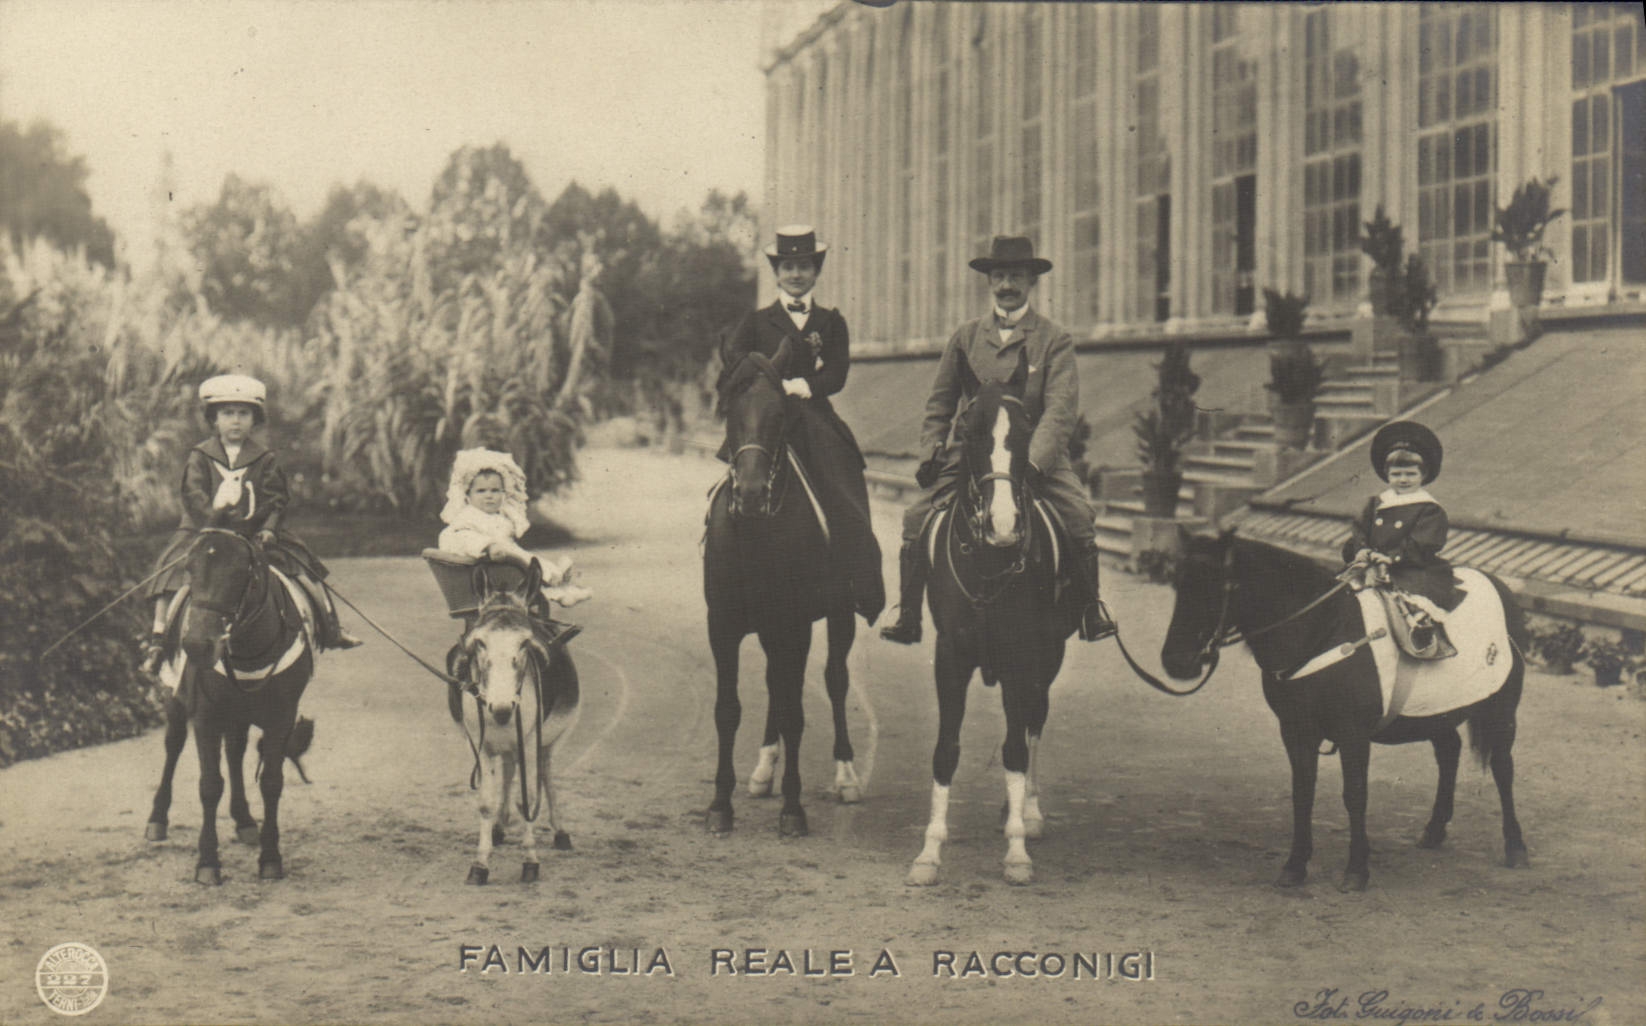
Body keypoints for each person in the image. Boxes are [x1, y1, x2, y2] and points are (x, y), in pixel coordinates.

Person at [880, 235, 1116, 645]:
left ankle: (1090, 610)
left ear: (1032, 282)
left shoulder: (1053, 338)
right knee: (917, 517)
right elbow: (940, 402)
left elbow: (1060, 411)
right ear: (989, 281)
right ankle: (909, 614)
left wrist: (1033, 464)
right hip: (973, 457)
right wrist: (931, 450)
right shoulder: (967, 337)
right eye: (1000, 276)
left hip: (1031, 455)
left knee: (1079, 515)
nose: (1008, 285)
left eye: (1017, 277)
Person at [715, 225, 885, 625]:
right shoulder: (756, 321)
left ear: (815, 271)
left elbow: (839, 372)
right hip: (764, 418)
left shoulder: (830, 322)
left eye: (804, 267)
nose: (795, 275)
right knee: (734, 480)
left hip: (811, 418)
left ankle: (858, 582)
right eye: (788, 267)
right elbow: (735, 367)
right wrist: (761, 384)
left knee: (842, 486)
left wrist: (806, 385)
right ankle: (722, 566)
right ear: (776, 272)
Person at [140, 374, 360, 672]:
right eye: (227, 413)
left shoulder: (263, 458)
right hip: (204, 531)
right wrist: (212, 523)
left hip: (254, 533)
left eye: (243, 414)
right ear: (214, 420)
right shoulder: (201, 456)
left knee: (303, 568)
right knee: (172, 574)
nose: (235, 421)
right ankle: (158, 639)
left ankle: (330, 626)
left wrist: (269, 527)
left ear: (254, 420)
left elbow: (277, 498)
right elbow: (193, 494)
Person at [1341, 420, 1460, 655]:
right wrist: (1361, 549)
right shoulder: (1377, 502)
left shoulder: (1427, 508)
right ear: (1387, 475)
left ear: (1422, 475)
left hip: (1410, 566)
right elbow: (1360, 528)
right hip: (1371, 564)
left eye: (1410, 474)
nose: (1403, 479)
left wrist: (1391, 558)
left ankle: (1419, 629)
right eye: (1396, 474)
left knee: (1412, 600)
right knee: (1343, 591)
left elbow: (1423, 544)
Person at [437, 448, 591, 613]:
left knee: (532, 564)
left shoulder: (497, 517)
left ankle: (562, 589)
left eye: (495, 491)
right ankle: (559, 589)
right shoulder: (467, 518)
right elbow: (466, 537)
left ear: (504, 493)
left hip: (505, 566)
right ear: (468, 496)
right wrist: (488, 546)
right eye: (481, 491)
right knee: (529, 567)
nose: (489, 496)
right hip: (492, 572)